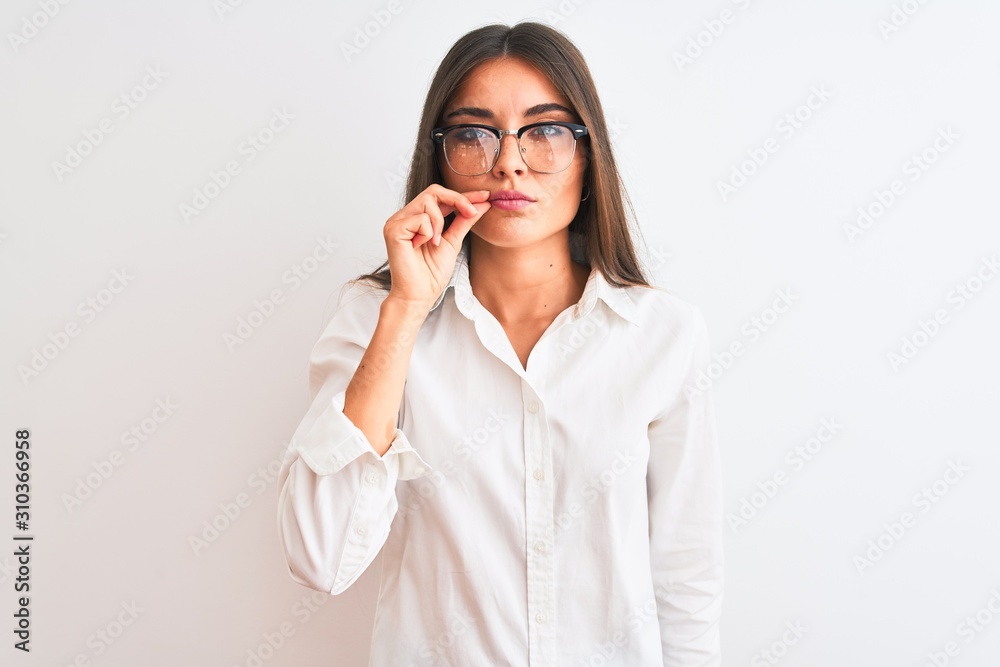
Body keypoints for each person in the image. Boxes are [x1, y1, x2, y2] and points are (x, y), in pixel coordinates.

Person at [276, 21, 724, 666]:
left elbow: (686, 575)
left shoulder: (664, 335)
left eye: (544, 130)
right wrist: (406, 309)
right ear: (440, 159)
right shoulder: (373, 317)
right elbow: (320, 555)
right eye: (473, 133)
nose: (508, 161)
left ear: (589, 156)